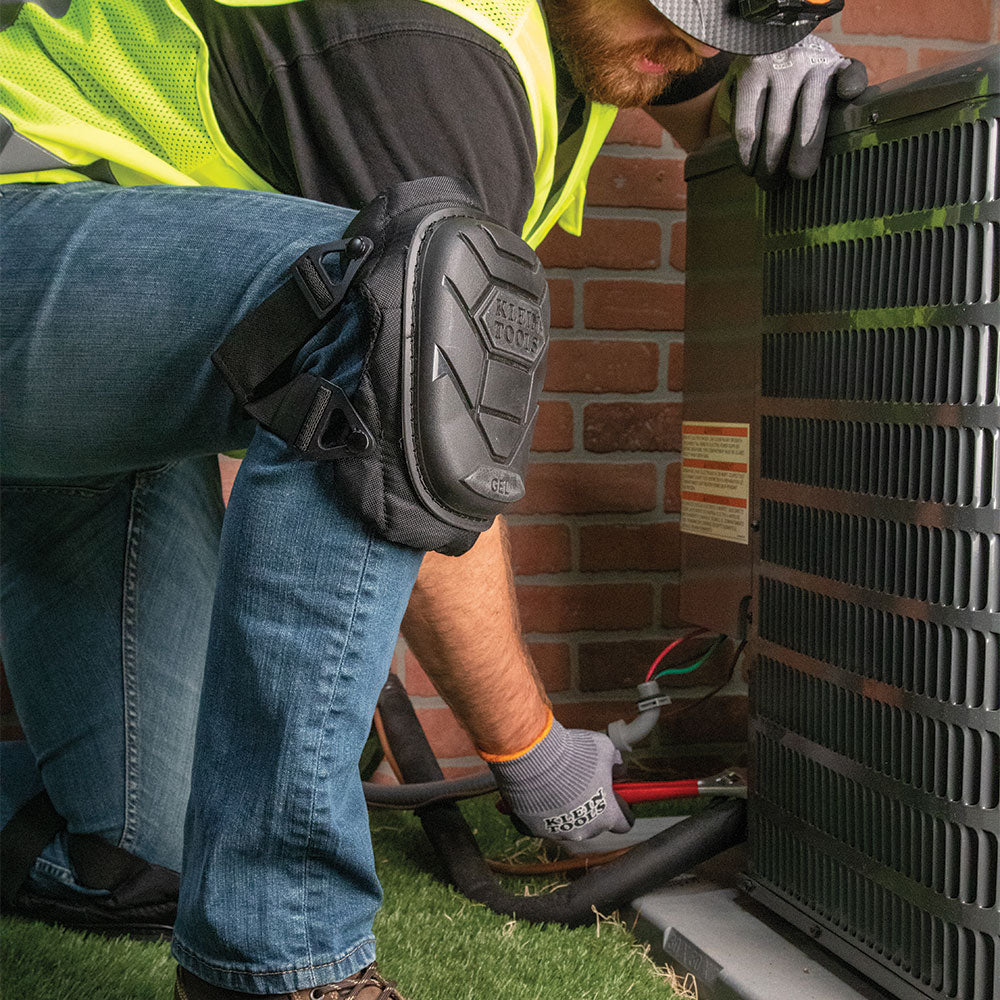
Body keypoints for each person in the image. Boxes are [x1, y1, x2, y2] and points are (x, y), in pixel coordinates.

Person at [0, 1, 865, 997]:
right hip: (33, 254)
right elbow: (417, 404)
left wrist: (775, 60)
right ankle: (281, 962)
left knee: (144, 851)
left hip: (112, 391)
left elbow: (690, 85)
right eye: (678, 13)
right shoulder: (430, 47)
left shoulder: (619, 29)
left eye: (724, 28)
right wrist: (531, 753)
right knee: (411, 297)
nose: (694, 52)